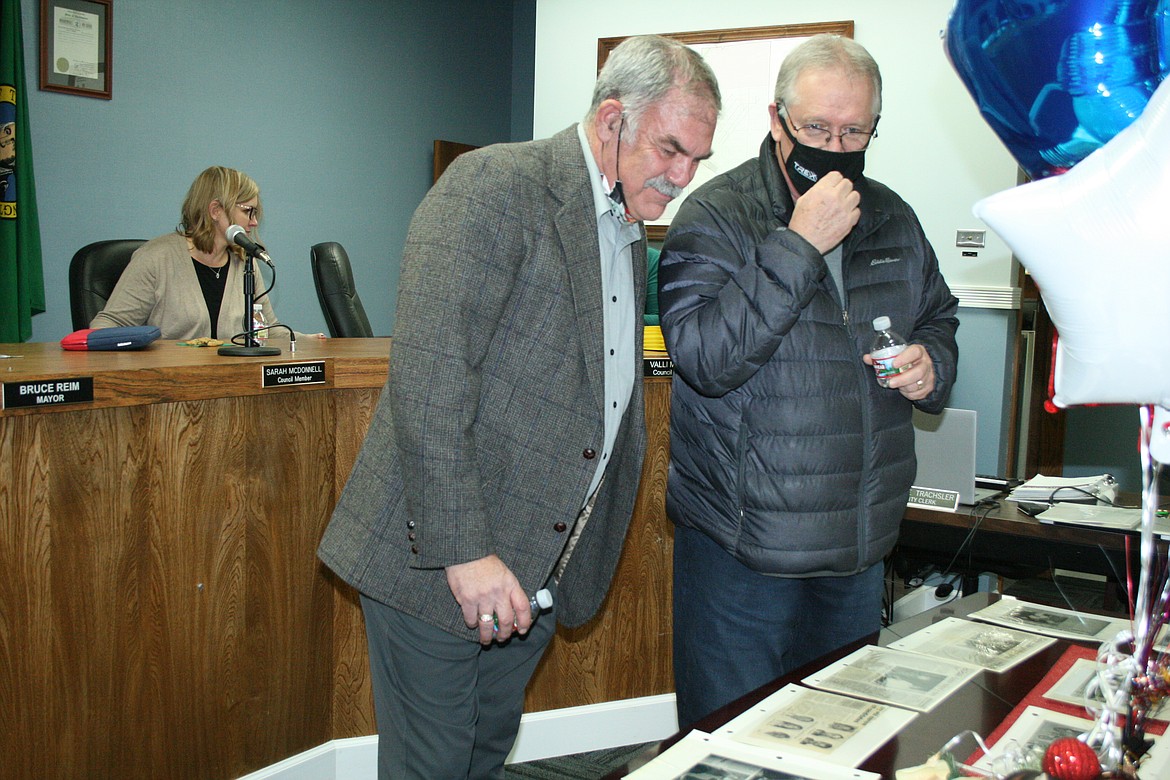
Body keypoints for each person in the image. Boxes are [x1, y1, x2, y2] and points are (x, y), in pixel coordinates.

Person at [317, 34, 720, 780]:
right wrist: (465, 554)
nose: (683, 176)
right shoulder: (494, 186)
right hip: (438, 562)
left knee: (480, 757)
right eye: (671, 149)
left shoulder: (626, 223)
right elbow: (430, 380)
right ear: (611, 120)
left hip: (533, 575)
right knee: (433, 766)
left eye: (699, 159)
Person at [658, 33, 959, 729]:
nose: (837, 143)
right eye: (817, 128)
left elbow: (939, 316)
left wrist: (930, 363)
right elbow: (703, 359)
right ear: (776, 120)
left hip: (855, 548)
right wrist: (797, 243)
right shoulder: (714, 216)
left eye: (856, 131)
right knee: (732, 746)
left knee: (837, 742)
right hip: (743, 551)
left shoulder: (894, 217)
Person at [91, 165, 282, 341]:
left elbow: (269, 330)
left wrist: (307, 340)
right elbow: (106, 328)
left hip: (229, 377)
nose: (254, 221)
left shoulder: (245, 262)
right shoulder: (156, 258)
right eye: (248, 211)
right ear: (215, 210)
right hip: (168, 376)